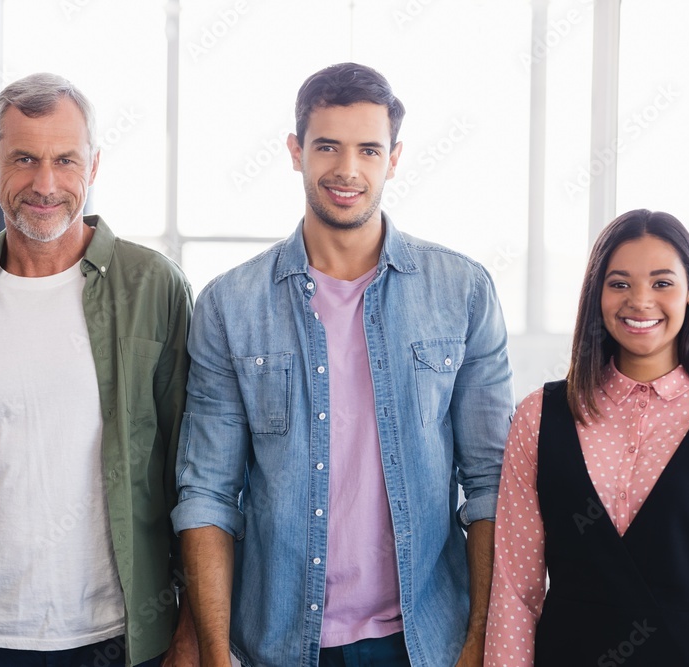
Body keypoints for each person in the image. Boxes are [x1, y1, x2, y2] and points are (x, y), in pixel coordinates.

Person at [172, 62, 514, 667]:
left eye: (368, 149)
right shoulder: (231, 305)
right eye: (327, 146)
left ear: (395, 157)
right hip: (276, 643)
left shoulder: (462, 292)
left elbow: (490, 485)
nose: (347, 170)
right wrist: (217, 654)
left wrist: (479, 639)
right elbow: (208, 493)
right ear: (295, 150)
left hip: (424, 641)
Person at [0, 73, 197, 667]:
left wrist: (189, 639)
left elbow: (197, 474)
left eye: (66, 160)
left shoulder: (154, 287)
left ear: (95, 165)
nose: (45, 184)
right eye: (24, 158)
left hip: (125, 641)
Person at [484, 209, 689, 666]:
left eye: (662, 283)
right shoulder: (539, 416)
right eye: (620, 283)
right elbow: (514, 590)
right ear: (596, 296)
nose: (640, 301)